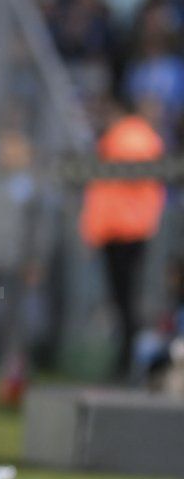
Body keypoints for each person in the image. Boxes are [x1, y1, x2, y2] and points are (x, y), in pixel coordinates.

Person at [79, 98, 167, 382]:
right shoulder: (139, 139)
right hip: (129, 230)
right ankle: (127, 364)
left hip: (123, 231)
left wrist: (94, 229)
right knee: (125, 301)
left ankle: (127, 366)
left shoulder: (127, 140)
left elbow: (107, 192)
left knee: (125, 301)